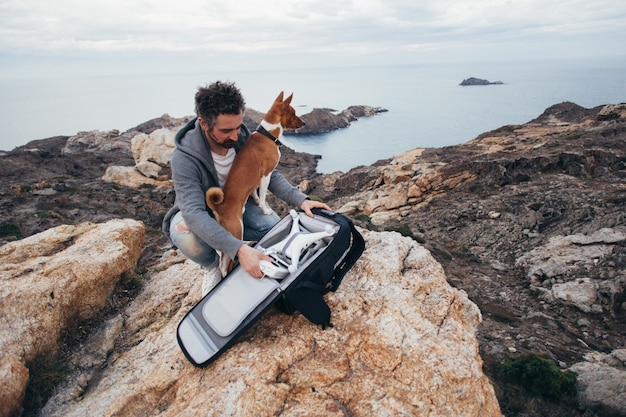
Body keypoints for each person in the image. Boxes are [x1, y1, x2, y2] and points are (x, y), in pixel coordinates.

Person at [162, 81, 330, 296]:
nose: (235, 135)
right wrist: (237, 249)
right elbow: (193, 212)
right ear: (204, 124)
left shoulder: (240, 135)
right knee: (189, 240)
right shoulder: (185, 158)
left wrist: (301, 199)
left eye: (238, 127)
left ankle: (242, 251)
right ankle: (214, 265)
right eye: (226, 130)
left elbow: (267, 172)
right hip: (200, 211)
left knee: (275, 230)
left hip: (239, 204)